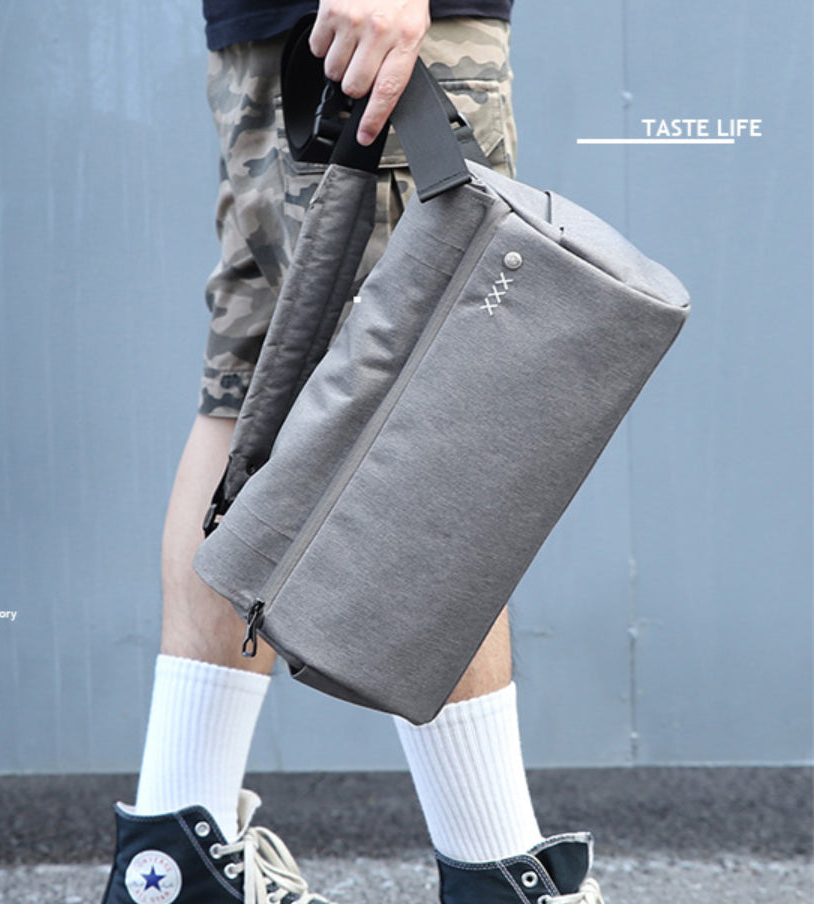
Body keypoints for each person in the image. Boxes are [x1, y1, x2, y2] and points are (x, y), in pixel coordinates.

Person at [101, 2, 605, 903]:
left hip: (276, 37)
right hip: (374, 36)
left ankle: (174, 860)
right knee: (433, 417)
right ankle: (495, 872)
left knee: (248, 401)